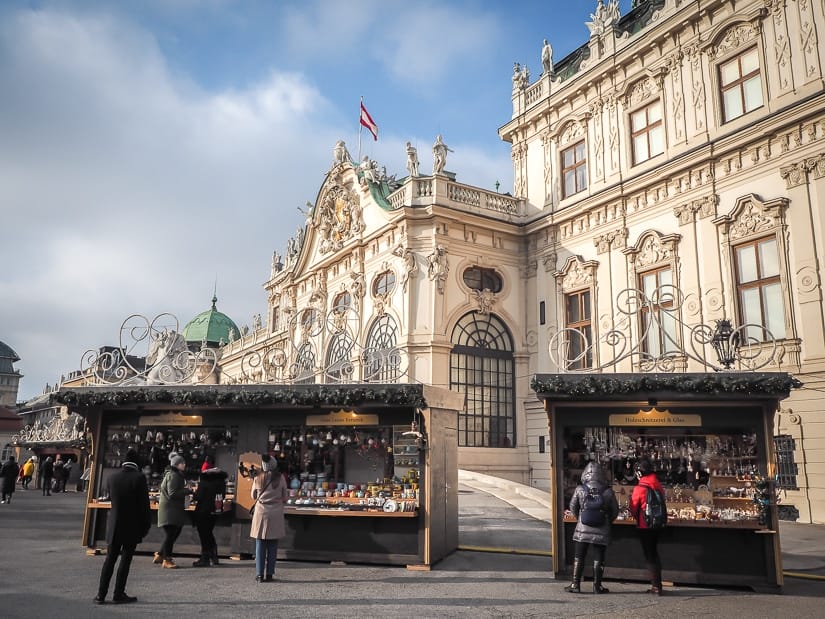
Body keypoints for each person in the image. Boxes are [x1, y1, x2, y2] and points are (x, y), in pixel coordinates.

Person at [93, 449, 150, 605]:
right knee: (125, 560)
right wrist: (145, 526)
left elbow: (110, 498)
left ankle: (100, 595)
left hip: (114, 525)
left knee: (109, 560)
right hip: (132, 526)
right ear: (136, 463)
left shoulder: (112, 478)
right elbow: (144, 506)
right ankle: (118, 593)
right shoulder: (139, 478)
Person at [564, 461, 619, 594]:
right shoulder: (608, 491)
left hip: (583, 529)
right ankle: (597, 586)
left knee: (579, 556)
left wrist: (581, 518)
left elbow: (572, 506)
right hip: (601, 529)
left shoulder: (580, 489)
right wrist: (606, 520)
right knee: (599, 557)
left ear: (585, 474)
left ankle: (575, 584)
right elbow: (615, 511)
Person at [629, 457, 665, 595]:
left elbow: (634, 507)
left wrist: (636, 517)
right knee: (654, 553)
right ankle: (658, 584)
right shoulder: (657, 484)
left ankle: (656, 586)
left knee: (650, 555)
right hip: (658, 524)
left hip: (645, 525)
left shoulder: (640, 488)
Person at [250, 454, 288, 582]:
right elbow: (285, 496)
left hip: (261, 512)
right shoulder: (280, 478)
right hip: (276, 512)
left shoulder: (258, 477)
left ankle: (259, 574)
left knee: (260, 543)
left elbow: (253, 496)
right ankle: (270, 573)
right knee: (273, 545)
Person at [155, 454, 191, 569]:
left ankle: (160, 555)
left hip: (171, 510)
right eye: (182, 463)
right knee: (171, 534)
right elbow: (173, 493)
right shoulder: (174, 476)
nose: (184, 465)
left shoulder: (173, 474)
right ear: (177, 464)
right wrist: (187, 491)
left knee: (173, 532)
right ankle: (167, 559)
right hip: (170, 510)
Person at [191, 461, 228, 567]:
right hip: (215, 510)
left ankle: (205, 558)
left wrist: (193, 494)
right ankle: (214, 555)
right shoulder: (221, 482)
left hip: (203, 511)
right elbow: (223, 496)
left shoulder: (204, 481)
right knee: (209, 532)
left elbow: (199, 496)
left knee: (204, 534)